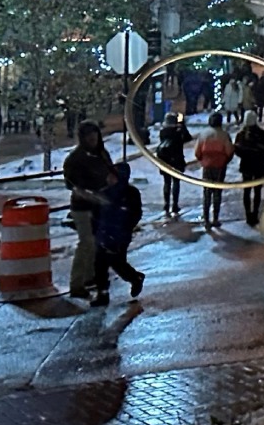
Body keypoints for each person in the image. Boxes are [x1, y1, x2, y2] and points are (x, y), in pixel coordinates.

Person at [62, 121, 114, 298]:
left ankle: (90, 277)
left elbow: (111, 174)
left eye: (95, 134)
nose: (93, 138)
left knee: (97, 243)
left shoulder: (101, 154)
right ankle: (76, 284)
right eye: (88, 135)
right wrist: (87, 194)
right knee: (87, 242)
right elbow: (72, 184)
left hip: (100, 205)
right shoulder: (76, 158)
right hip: (82, 207)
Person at [89, 162, 145, 307]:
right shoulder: (104, 193)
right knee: (100, 264)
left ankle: (135, 278)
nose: (108, 178)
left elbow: (135, 213)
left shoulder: (130, 194)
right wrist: (95, 228)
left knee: (117, 263)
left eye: (112, 175)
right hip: (103, 234)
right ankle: (102, 294)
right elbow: (96, 213)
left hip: (120, 236)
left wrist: (125, 228)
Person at [194, 116, 233, 230]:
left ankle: (206, 219)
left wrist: (203, 160)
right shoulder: (224, 135)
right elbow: (229, 151)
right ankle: (215, 218)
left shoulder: (203, 134)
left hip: (207, 167)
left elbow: (197, 152)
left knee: (207, 193)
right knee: (217, 193)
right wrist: (225, 161)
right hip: (220, 166)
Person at [154, 111, 190, 218]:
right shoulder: (178, 131)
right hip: (177, 159)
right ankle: (175, 205)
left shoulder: (163, 131)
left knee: (166, 182)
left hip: (165, 160)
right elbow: (188, 138)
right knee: (176, 182)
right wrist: (182, 125)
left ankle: (166, 204)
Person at [235, 116, 264, 226]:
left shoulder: (241, 135)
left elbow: (237, 149)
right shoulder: (261, 133)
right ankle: (255, 214)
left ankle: (248, 214)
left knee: (247, 191)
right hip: (259, 165)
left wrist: (246, 154)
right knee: (257, 191)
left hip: (246, 165)